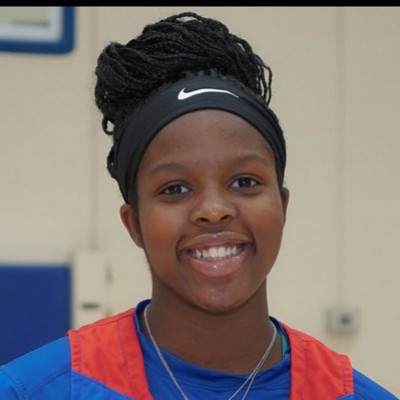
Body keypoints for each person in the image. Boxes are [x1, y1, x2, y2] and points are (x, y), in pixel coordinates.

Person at [0, 12, 397, 400]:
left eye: (244, 182)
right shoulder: (33, 390)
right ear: (133, 223)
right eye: (175, 188)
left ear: (283, 205)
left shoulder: (350, 394)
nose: (214, 209)